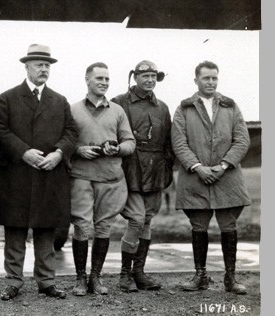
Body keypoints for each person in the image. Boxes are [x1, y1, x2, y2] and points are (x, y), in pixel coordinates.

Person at [0, 44, 78, 300]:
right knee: (15, 230)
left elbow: (71, 132)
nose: (44, 69)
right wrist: (23, 152)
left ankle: (46, 281)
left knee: (46, 229)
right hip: (17, 174)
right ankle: (13, 282)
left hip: (48, 173)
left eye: (47, 65)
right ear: (26, 67)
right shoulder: (7, 98)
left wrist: (58, 153)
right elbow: (1, 130)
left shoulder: (59, 100)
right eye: (39, 64)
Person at [172, 61, 251, 295]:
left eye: (214, 78)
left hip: (227, 177)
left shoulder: (230, 106)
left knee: (229, 225)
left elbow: (242, 139)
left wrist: (224, 165)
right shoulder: (184, 108)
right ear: (196, 80)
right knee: (198, 226)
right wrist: (197, 167)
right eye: (206, 78)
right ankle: (201, 276)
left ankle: (231, 278)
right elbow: (179, 141)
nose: (211, 82)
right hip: (195, 177)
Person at [69, 62, 136, 296]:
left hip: (110, 177)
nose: (104, 83)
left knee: (103, 226)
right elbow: (64, 141)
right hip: (81, 176)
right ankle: (80, 278)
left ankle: (96, 277)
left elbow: (130, 142)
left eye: (107, 79)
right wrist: (78, 150)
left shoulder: (117, 111)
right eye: (99, 78)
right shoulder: (73, 109)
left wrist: (117, 149)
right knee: (81, 226)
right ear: (87, 80)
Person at [110, 60, 174, 292]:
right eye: (144, 75)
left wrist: (165, 167)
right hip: (130, 170)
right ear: (134, 77)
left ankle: (139, 272)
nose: (150, 80)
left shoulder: (163, 107)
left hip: (155, 171)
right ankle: (124, 274)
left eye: (153, 76)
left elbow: (168, 143)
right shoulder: (119, 102)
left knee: (147, 220)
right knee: (137, 218)